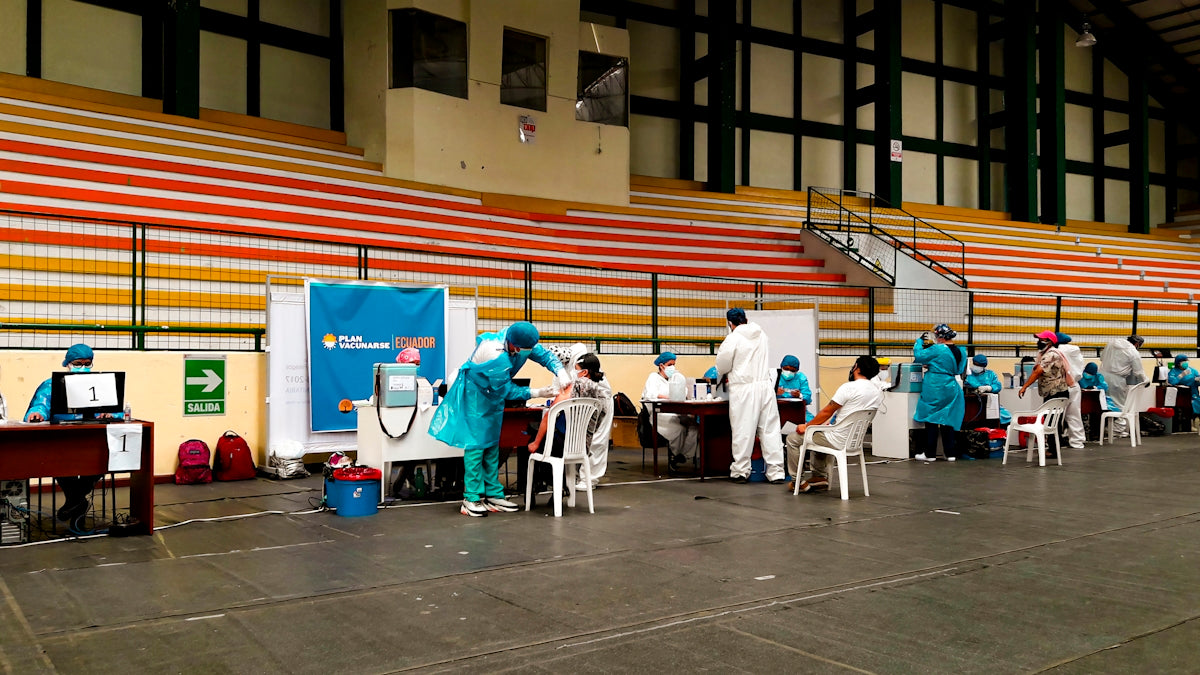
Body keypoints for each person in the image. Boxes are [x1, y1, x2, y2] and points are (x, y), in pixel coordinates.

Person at [428, 321, 568, 517]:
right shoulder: (494, 352)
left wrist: (560, 371)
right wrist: (536, 392)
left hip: (491, 394)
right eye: (519, 349)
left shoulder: (522, 340)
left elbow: (544, 355)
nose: (522, 352)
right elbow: (505, 389)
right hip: (474, 393)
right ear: (512, 343)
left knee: (493, 443)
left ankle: (493, 493)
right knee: (476, 445)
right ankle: (471, 498)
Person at [24, 344, 121, 521]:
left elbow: (116, 408)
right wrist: (36, 413)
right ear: (67, 364)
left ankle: (74, 500)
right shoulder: (51, 385)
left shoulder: (99, 384)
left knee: (104, 457)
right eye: (77, 363)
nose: (82, 367)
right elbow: (41, 404)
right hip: (61, 440)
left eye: (87, 363)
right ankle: (77, 500)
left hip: (91, 439)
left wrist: (111, 413)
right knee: (55, 460)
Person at [525, 348, 612, 499]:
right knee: (546, 441)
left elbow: (550, 415)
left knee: (534, 437)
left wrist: (535, 442)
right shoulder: (602, 395)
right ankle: (559, 485)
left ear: (584, 372)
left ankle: (540, 487)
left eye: (576, 370)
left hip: (561, 443)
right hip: (581, 445)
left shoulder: (575, 386)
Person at [787, 356, 883, 493]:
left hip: (836, 439)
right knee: (819, 432)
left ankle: (797, 481)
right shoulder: (876, 392)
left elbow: (827, 411)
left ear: (858, 368)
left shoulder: (849, 388)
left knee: (793, 438)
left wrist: (807, 426)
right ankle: (819, 477)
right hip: (853, 441)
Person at [715, 308, 785, 483]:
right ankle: (776, 472)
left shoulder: (733, 338)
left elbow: (722, 365)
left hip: (743, 388)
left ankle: (740, 470)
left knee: (743, 430)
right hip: (765, 385)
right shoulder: (761, 333)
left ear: (730, 323)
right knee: (770, 430)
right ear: (746, 319)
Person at [913, 324, 966, 462]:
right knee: (947, 419)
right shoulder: (962, 351)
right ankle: (950, 454)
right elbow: (959, 369)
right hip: (951, 386)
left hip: (935, 385)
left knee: (931, 418)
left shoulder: (938, 348)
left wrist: (918, 343)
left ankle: (930, 454)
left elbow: (919, 356)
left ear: (940, 337)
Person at [1018, 331, 1075, 452]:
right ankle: (1054, 448)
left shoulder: (1051, 355)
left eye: (1041, 339)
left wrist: (1025, 386)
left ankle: (1053, 449)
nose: (1038, 342)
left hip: (1056, 392)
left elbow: (1038, 371)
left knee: (1052, 421)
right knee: (1054, 421)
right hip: (1054, 392)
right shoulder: (1046, 354)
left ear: (1049, 342)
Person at [641, 351, 699, 469]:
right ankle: (674, 455)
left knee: (694, 427)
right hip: (659, 415)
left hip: (675, 412)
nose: (672, 367)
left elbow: (684, 392)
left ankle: (683, 455)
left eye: (674, 364)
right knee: (678, 429)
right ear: (662, 366)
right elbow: (651, 394)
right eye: (670, 364)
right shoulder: (653, 378)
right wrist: (669, 397)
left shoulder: (674, 378)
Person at [569, 343, 613, 490]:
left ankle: (590, 480)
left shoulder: (594, 382)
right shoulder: (591, 375)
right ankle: (581, 476)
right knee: (588, 441)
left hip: (601, 408)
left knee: (596, 441)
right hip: (594, 408)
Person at [1100, 335, 1147, 413]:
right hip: (1117, 381)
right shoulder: (1133, 352)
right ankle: (1119, 425)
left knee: (1104, 404)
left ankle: (1105, 424)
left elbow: (1102, 358)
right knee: (1118, 406)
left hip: (1101, 377)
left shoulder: (1111, 344)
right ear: (1137, 344)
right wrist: (1145, 381)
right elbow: (1138, 372)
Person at [1055, 332, 1086, 449]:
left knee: (1055, 416)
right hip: (1074, 385)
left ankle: (1054, 442)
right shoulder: (1076, 351)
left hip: (1059, 385)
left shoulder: (1054, 351)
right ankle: (1077, 442)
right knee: (1074, 414)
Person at [964, 354, 1011, 425]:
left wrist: (989, 388)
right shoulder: (968, 374)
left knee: (1006, 416)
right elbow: (966, 383)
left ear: (984, 366)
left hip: (989, 402)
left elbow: (997, 385)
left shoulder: (990, 374)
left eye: (979, 365)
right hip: (971, 403)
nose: (976, 367)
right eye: (975, 364)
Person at [776, 355, 815, 423]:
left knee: (812, 425)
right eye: (786, 369)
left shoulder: (801, 378)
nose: (789, 372)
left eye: (792, 370)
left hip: (797, 410)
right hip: (777, 411)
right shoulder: (775, 376)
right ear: (781, 367)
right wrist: (774, 392)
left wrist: (800, 395)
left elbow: (808, 398)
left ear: (797, 370)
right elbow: (763, 395)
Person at [1167, 354, 1200, 429]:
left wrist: (1198, 380)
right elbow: (1172, 382)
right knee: (1184, 409)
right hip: (1181, 394)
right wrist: (1181, 376)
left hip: (1193, 393)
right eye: (1183, 361)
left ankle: (1192, 424)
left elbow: (1198, 378)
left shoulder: (1192, 370)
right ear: (1178, 363)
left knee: (1196, 405)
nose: (1185, 363)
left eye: (1186, 361)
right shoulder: (1173, 371)